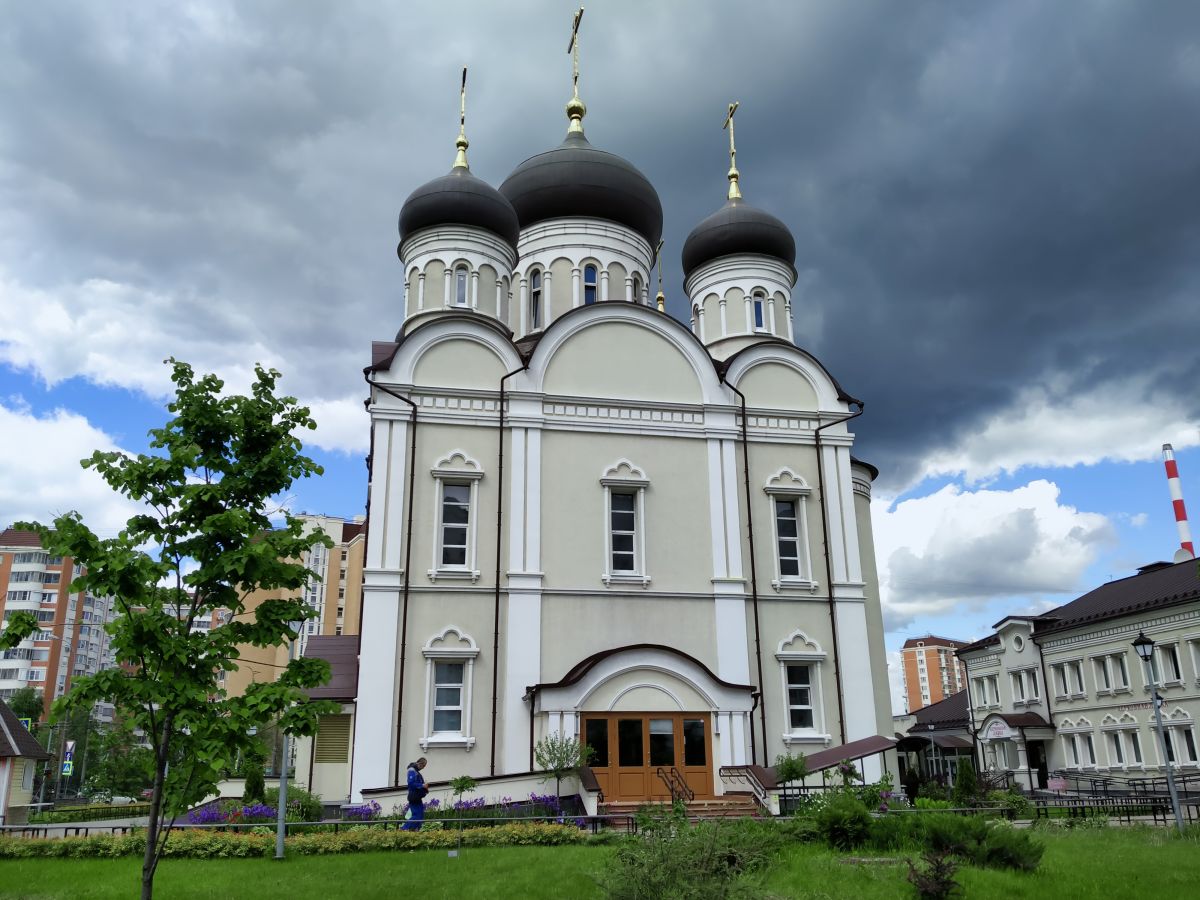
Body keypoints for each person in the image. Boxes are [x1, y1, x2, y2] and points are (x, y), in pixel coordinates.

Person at [402, 757, 428, 830]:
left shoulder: (416, 771)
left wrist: (425, 788)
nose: (423, 768)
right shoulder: (412, 771)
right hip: (414, 796)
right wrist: (422, 785)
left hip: (417, 796)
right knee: (417, 816)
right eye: (423, 766)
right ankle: (403, 829)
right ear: (419, 763)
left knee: (420, 816)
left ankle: (414, 831)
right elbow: (411, 783)